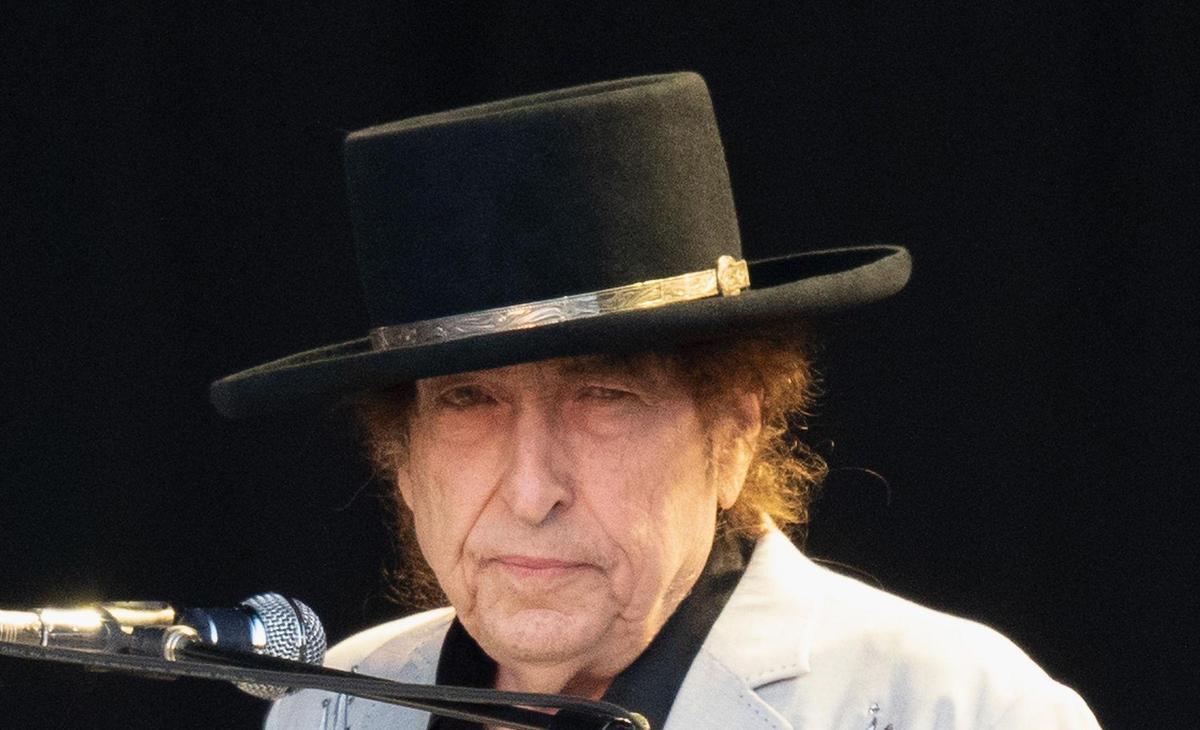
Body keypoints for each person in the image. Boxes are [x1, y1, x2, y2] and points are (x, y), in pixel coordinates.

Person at [210, 73, 1101, 729]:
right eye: (470, 401)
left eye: (604, 396)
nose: (532, 491)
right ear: (401, 461)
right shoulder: (333, 705)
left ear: (734, 434)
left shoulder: (955, 707)